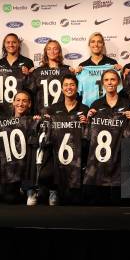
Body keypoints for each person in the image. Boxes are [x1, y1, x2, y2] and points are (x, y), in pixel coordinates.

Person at [36, 74, 89, 206]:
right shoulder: (53, 108)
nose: (69, 88)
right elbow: (45, 129)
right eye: (66, 85)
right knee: (44, 176)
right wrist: (42, 120)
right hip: (56, 152)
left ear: (77, 88)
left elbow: (89, 134)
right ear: (61, 88)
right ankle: (52, 189)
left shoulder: (84, 109)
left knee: (73, 200)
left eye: (72, 85)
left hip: (77, 154)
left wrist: (86, 124)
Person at [84, 69, 130, 205]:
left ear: (118, 82)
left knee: (118, 201)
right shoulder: (96, 104)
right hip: (101, 158)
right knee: (101, 202)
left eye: (113, 79)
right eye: (106, 80)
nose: (110, 82)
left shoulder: (127, 104)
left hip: (120, 155)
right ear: (102, 83)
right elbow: (90, 132)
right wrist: (89, 118)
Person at [0, 90, 39, 204]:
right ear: (13, 103)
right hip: (9, 168)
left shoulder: (33, 120)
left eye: (24, 101)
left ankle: (30, 189)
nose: (20, 104)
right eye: (18, 100)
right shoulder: (3, 122)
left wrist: (38, 123)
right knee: (8, 198)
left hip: (25, 166)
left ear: (29, 104)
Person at [0, 33, 34, 115]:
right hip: (1, 109)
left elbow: (31, 87)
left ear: (18, 44)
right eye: (8, 42)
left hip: (21, 109)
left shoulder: (27, 62)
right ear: (4, 44)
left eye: (14, 42)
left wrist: (29, 75)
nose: (11, 45)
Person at [29, 40, 72, 113]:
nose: (52, 51)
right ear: (46, 52)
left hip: (62, 113)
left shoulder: (67, 70)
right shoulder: (37, 72)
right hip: (42, 112)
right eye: (49, 49)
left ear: (59, 52)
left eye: (55, 49)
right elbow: (32, 94)